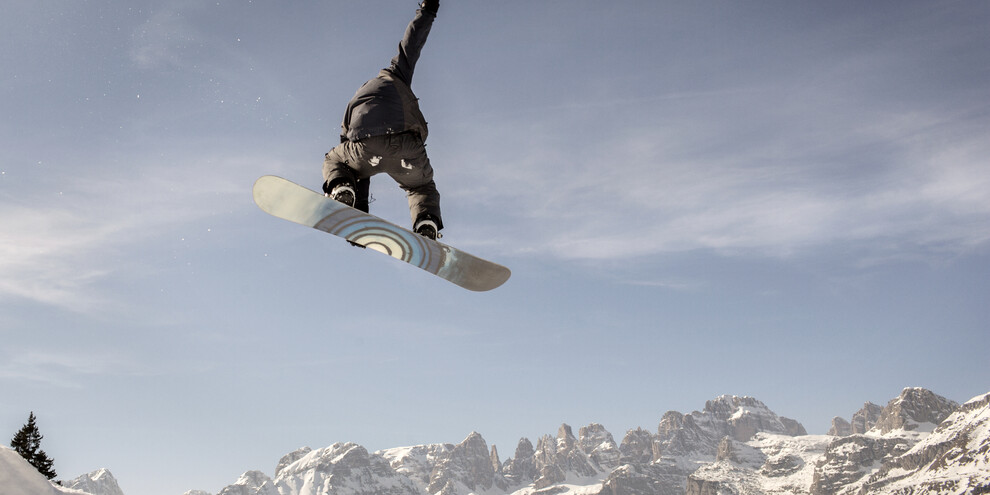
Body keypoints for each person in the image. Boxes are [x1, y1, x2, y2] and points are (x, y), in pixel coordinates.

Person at [322, 0, 443, 240]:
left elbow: (358, 172)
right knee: (422, 187)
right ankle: (426, 222)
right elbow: (411, 43)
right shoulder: (395, 74)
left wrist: (359, 217)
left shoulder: (351, 109)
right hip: (409, 148)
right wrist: (428, 9)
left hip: (366, 147)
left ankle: (340, 189)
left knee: (334, 160)